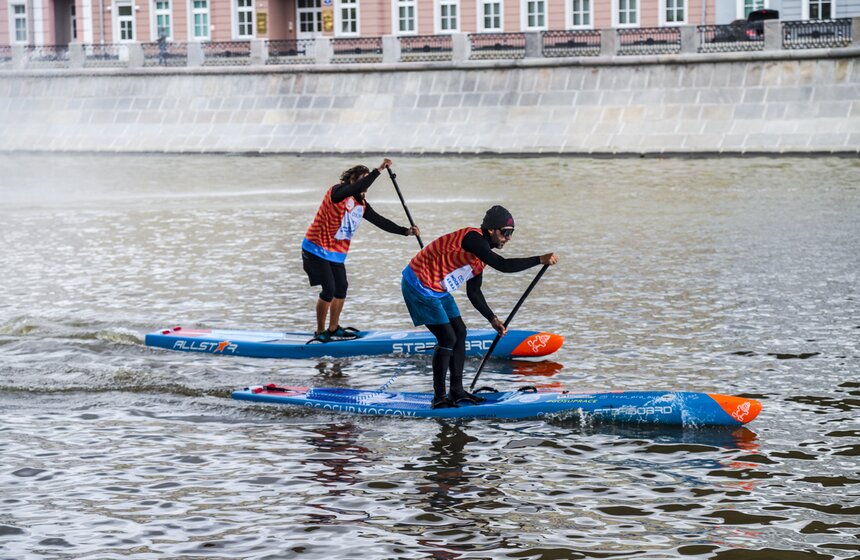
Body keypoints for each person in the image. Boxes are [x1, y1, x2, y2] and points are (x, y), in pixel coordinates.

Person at [401, 205, 558, 409]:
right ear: (491, 230)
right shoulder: (472, 238)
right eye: (506, 232)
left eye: (511, 233)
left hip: (438, 288)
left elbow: (473, 293)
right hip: (418, 285)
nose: (508, 238)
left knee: (460, 332)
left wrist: (493, 319)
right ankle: (439, 398)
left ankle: (456, 391)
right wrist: (539, 259)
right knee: (447, 337)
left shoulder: (480, 258)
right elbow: (503, 265)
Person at [303, 158, 420, 342]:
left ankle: (333, 329)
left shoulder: (362, 205)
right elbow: (356, 187)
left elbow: (381, 222)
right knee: (329, 289)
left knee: (341, 288)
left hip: (336, 253)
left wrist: (406, 231)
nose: (364, 187)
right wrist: (379, 170)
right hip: (315, 249)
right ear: (351, 181)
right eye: (360, 181)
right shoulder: (338, 192)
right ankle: (320, 332)